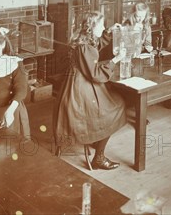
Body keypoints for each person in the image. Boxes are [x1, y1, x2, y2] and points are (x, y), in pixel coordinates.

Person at [53, 12, 126, 170]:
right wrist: (115, 60)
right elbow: (95, 74)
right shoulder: (86, 47)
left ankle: (96, 138)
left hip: (74, 85)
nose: (104, 27)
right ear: (92, 27)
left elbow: (97, 45)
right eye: (101, 25)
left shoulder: (83, 39)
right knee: (115, 108)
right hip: (82, 88)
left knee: (109, 105)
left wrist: (109, 31)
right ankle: (99, 157)